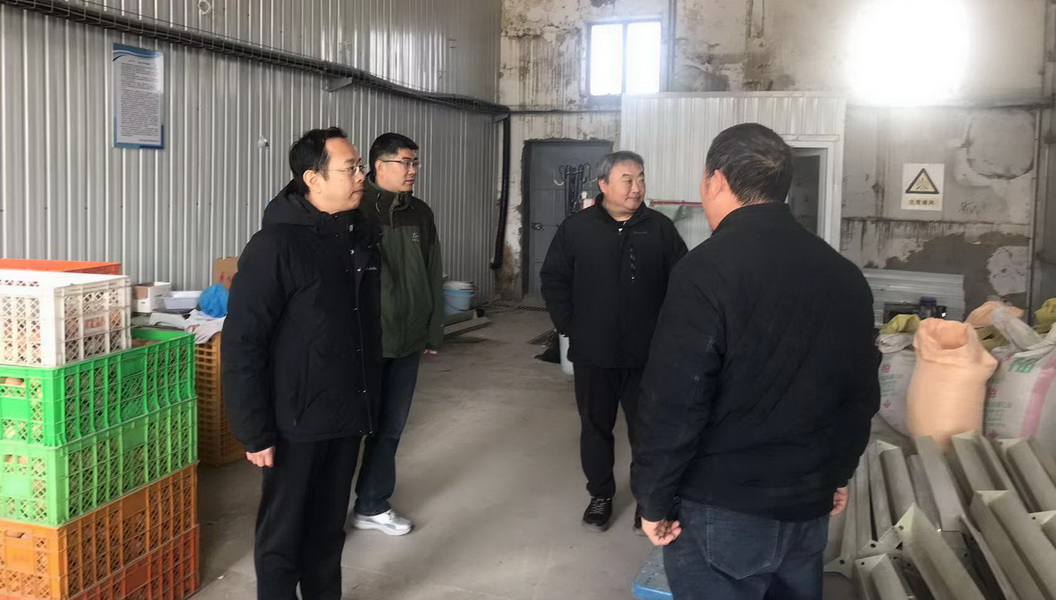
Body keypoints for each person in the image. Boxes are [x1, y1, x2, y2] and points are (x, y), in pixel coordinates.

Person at [631, 123, 879, 600]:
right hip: (808, 508)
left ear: (716, 181)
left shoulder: (704, 271)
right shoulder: (844, 275)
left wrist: (654, 499)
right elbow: (861, 393)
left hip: (723, 510)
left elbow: (676, 402)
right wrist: (837, 473)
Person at [222, 126, 382, 600]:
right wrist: (254, 430)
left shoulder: (357, 236)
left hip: (345, 412)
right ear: (313, 178)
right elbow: (244, 341)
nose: (361, 176)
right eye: (350, 168)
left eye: (360, 167)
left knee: (329, 530)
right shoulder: (275, 246)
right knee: (284, 535)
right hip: (295, 419)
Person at [540, 151, 688, 534]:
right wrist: (570, 325)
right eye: (628, 179)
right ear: (603, 184)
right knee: (595, 427)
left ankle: (647, 500)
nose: (637, 187)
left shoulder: (659, 229)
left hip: (647, 355)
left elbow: (683, 284)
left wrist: (670, 335)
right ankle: (600, 495)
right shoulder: (577, 228)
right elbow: (554, 279)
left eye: (641, 178)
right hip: (594, 352)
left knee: (646, 431)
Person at [347, 132, 443, 536]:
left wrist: (432, 330)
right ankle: (326, 512)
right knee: (349, 428)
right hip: (364, 341)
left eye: (415, 162)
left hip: (406, 339)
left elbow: (433, 270)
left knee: (390, 427)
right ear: (379, 165)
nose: (413, 170)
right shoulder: (355, 207)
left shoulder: (419, 212)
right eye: (405, 162)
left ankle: (371, 503)